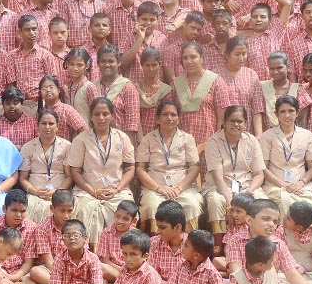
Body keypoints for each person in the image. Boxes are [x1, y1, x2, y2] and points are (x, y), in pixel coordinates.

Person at [68, 97, 136, 242]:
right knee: (85, 211)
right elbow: (75, 171)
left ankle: (119, 252)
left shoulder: (122, 138)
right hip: (88, 192)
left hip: (117, 190)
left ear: (112, 115)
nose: (101, 118)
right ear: (91, 116)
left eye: (105, 114)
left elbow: (130, 168)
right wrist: (93, 191)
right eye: (97, 114)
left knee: (124, 209)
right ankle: (90, 253)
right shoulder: (81, 140)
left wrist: (117, 190)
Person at [136, 99, 204, 231]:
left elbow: (194, 168)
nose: (169, 118)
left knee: (192, 204)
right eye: (165, 114)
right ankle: (155, 245)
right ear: (157, 118)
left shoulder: (187, 138)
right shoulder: (148, 139)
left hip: (182, 188)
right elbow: (140, 169)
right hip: (154, 189)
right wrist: (159, 188)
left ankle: (187, 243)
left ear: (179, 118)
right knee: (152, 205)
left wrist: (178, 188)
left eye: (173, 115)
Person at [203, 105, 266, 238]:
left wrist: (249, 193)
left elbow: (259, 174)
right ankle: (219, 245)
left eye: (240, 121)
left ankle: (257, 241)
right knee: (216, 201)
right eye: (232, 121)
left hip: (247, 186)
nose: (236, 124)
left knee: (262, 201)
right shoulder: (214, 141)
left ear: (245, 124)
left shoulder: (252, 141)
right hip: (220, 186)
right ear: (224, 122)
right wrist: (230, 201)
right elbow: (217, 177)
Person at [260, 96, 312, 221]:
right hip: (275, 185)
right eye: (282, 112)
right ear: (276, 114)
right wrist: (283, 185)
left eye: (291, 111)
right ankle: (284, 239)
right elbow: (263, 168)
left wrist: (301, 183)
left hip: (300, 184)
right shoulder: (268, 136)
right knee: (286, 202)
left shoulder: (306, 135)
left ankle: (308, 239)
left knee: (310, 206)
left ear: (297, 112)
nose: (287, 115)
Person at [170, 41, 231, 147]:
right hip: (181, 144)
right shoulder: (176, 83)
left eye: (193, 57)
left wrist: (217, 143)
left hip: (209, 143)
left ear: (202, 58)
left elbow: (222, 117)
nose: (189, 61)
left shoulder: (215, 81)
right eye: (185, 58)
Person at [39, 220, 106, 284]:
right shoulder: (59, 258)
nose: (71, 238)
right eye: (67, 235)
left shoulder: (93, 258)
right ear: (63, 239)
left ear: (85, 238)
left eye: (76, 235)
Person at [17, 109, 73, 223]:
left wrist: (58, 191)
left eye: (51, 123)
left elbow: (69, 177)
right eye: (43, 123)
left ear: (57, 126)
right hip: (35, 192)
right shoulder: (28, 147)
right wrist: (35, 191)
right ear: (37, 126)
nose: (47, 127)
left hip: (60, 191)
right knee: (31, 207)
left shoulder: (67, 146)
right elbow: (22, 178)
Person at [0, 189, 40, 284]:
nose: (18, 215)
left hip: (21, 272)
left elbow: (29, 261)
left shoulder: (32, 228)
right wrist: (1, 272)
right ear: (4, 208)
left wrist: (15, 277)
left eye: (22, 211)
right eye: (14, 210)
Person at [8, 14, 61, 113]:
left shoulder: (46, 55)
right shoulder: (12, 56)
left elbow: (52, 82)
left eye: (34, 29)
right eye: (27, 30)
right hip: (20, 104)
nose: (32, 33)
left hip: (41, 104)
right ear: (20, 32)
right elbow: (12, 84)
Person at [250, 52, 307, 134]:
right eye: (272, 69)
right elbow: (258, 113)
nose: (275, 72)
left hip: (293, 137)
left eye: (279, 68)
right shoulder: (261, 87)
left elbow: (302, 119)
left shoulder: (298, 89)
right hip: (268, 138)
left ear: (288, 67)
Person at [93, 200, 137, 284]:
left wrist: (126, 270)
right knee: (101, 268)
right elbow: (105, 260)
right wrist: (121, 270)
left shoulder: (136, 235)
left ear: (133, 221)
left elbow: (137, 261)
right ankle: (124, 281)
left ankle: (121, 282)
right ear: (114, 215)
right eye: (118, 216)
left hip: (130, 270)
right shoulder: (106, 232)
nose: (120, 221)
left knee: (103, 281)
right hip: (112, 269)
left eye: (126, 219)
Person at [62, 48, 95, 122]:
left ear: (87, 66)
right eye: (71, 64)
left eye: (79, 65)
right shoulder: (66, 88)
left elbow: (96, 112)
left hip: (87, 131)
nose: (75, 68)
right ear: (67, 64)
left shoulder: (89, 88)